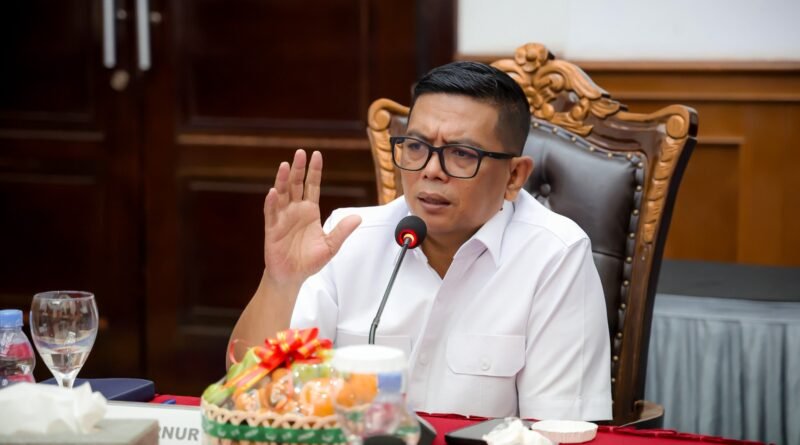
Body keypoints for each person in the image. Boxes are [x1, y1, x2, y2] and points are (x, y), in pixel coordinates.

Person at [230, 61, 612, 421]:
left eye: (461, 154)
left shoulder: (555, 255)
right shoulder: (346, 239)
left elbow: (558, 430)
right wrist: (280, 281)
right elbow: (248, 395)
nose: (431, 170)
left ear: (514, 176)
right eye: (416, 147)